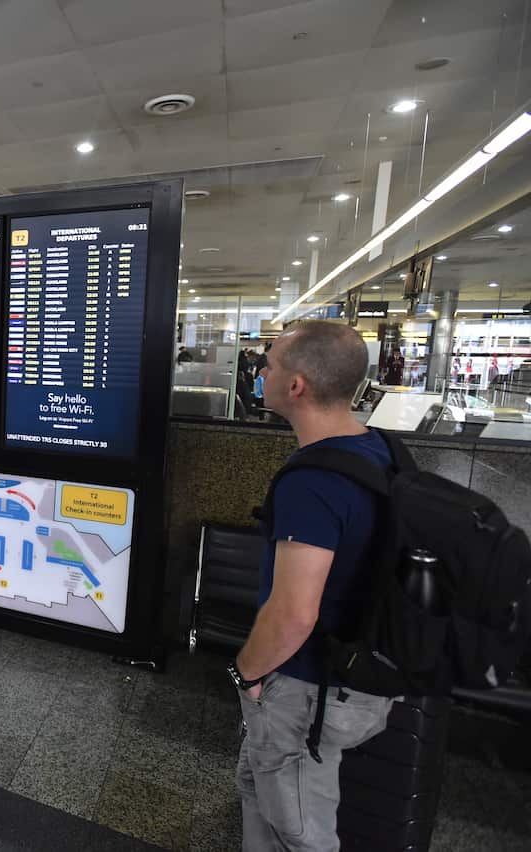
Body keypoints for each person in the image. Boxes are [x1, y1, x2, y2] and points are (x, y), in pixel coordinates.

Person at [232, 321, 396, 851]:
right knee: (258, 787)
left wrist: (246, 673)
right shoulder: (380, 449)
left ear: (296, 385)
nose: (261, 373)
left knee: (298, 828)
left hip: (306, 685)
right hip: (353, 670)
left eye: (270, 366)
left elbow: (293, 614)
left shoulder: (314, 482)